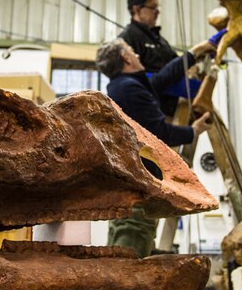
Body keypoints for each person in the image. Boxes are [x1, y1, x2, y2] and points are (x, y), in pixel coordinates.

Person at [94, 37, 219, 257]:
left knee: (128, 251)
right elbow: (158, 133)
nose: (138, 55)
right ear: (126, 58)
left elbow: (162, 79)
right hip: (137, 195)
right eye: (133, 51)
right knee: (129, 260)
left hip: (132, 192)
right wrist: (193, 130)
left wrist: (194, 52)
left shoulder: (125, 86)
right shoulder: (130, 90)